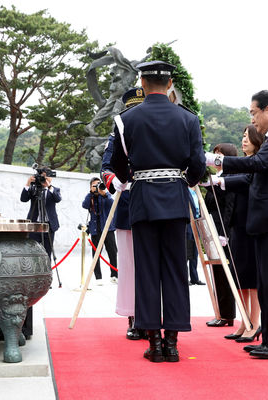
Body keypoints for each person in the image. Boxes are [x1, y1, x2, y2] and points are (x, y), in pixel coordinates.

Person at [110, 60, 206, 363]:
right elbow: (199, 165)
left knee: (148, 271)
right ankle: (173, 343)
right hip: (176, 200)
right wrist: (181, 181)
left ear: (142, 81)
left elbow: (116, 164)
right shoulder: (188, 119)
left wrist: (134, 179)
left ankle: (153, 342)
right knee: (176, 271)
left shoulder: (126, 119)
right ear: (170, 83)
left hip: (143, 200)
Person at [205, 91, 268, 360]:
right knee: (266, 282)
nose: (252, 120)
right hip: (265, 219)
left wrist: (216, 161)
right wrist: (218, 181)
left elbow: (258, 163)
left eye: (253, 113)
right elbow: (250, 179)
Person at [101, 87, 146, 340]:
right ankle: (134, 316)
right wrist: (114, 181)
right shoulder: (116, 135)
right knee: (129, 265)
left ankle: (153, 314)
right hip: (128, 205)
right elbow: (105, 167)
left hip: (154, 203)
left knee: (153, 265)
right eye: (132, 109)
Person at [223, 127, 264, 343]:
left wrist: (221, 181)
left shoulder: (258, 162)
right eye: (242, 137)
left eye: (247, 137)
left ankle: (255, 322)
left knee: (251, 277)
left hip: (251, 224)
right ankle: (244, 320)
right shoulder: (242, 163)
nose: (244, 141)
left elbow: (246, 182)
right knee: (239, 277)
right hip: (237, 226)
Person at [202, 143, 239, 328]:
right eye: (214, 154)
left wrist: (225, 233)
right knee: (216, 271)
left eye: (220, 154)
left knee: (225, 273)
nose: (215, 158)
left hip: (224, 230)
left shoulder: (230, 177)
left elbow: (229, 207)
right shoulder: (216, 177)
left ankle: (227, 314)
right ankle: (220, 312)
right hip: (213, 229)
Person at [82, 177, 118, 284]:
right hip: (95, 230)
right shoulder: (90, 197)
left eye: (98, 184)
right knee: (96, 254)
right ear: (90, 187)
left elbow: (112, 203)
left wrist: (104, 193)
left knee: (112, 252)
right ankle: (98, 277)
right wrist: (91, 193)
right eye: (94, 185)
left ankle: (114, 275)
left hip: (108, 229)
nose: (97, 187)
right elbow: (84, 205)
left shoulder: (105, 196)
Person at [20, 170, 61, 259]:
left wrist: (48, 186)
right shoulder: (33, 188)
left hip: (49, 226)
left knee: (47, 253)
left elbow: (57, 199)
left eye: (46, 177)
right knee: (33, 252)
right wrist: (28, 183)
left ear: (50, 178)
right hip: (35, 225)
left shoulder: (54, 189)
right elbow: (23, 199)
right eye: (42, 177)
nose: (44, 179)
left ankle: (47, 271)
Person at [186, 187, 205, 286]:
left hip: (197, 224)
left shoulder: (196, 192)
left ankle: (195, 278)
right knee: (187, 252)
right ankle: (185, 278)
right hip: (188, 225)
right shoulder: (185, 190)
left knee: (195, 252)